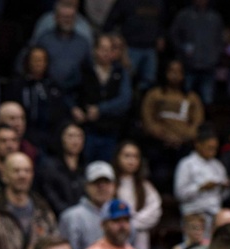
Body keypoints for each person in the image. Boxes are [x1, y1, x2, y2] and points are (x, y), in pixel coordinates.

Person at [140, 59, 205, 194]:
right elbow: (147, 118)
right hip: (158, 142)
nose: (175, 75)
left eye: (179, 72)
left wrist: (182, 138)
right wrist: (163, 136)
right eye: (171, 71)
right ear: (165, 73)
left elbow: (197, 123)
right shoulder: (154, 94)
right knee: (159, 172)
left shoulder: (192, 98)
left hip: (184, 144)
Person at [72, 34, 132, 163]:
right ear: (95, 50)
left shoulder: (120, 72)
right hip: (88, 130)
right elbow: (68, 92)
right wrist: (74, 108)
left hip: (112, 131)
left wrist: (100, 109)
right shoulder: (84, 70)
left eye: (110, 49)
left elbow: (125, 100)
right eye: (103, 49)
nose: (106, 53)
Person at [2, 47, 69, 156]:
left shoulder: (53, 86)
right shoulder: (17, 85)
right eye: (35, 59)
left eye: (42, 60)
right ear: (28, 62)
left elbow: (60, 112)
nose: (38, 63)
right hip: (23, 135)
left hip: (48, 136)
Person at [102, 0, 166, 93]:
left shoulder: (158, 2)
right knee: (126, 81)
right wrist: (116, 41)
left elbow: (162, 21)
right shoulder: (125, 2)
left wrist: (161, 36)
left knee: (149, 83)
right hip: (131, 47)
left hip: (150, 48)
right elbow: (109, 24)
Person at [168, 0, 224, 106]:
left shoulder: (215, 17)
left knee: (207, 99)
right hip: (189, 65)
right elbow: (174, 35)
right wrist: (182, 50)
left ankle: (205, 121)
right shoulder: (184, 15)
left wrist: (215, 56)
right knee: (186, 97)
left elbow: (220, 40)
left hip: (209, 66)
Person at [32, 1, 91, 100]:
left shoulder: (83, 43)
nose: (67, 20)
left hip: (74, 94)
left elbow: (89, 70)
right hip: (46, 92)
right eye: (64, 17)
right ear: (56, 18)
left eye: (70, 17)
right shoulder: (44, 39)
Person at [58, 160, 115, 249]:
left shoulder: (125, 215)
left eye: (106, 182)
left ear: (114, 185)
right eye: (96, 183)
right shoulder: (71, 217)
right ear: (86, 186)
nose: (102, 187)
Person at [174, 125, 230, 223]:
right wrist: (201, 188)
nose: (213, 152)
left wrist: (224, 187)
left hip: (215, 212)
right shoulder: (186, 164)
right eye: (209, 148)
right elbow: (180, 194)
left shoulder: (218, 165)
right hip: (194, 213)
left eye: (215, 149)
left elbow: (223, 196)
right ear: (198, 144)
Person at [112, 142, 160, 249]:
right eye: (127, 156)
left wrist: (131, 223)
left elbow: (155, 210)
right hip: (115, 238)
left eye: (135, 157)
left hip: (140, 241)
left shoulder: (145, 186)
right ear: (118, 158)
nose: (131, 161)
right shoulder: (111, 184)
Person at [37, 122, 86, 216]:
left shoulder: (86, 168)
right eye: (70, 136)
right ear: (61, 138)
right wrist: (69, 214)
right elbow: (49, 194)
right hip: (57, 216)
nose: (75, 141)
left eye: (79, 136)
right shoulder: (49, 167)